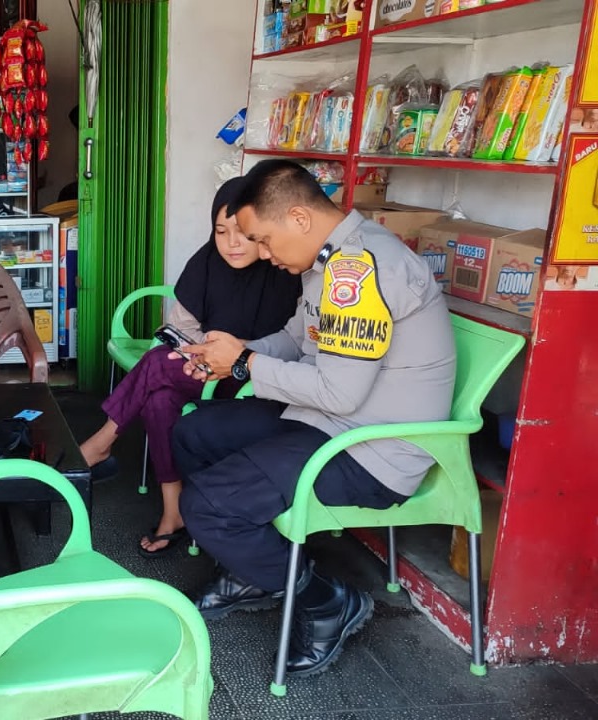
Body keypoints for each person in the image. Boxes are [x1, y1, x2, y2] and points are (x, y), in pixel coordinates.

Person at [173, 159, 456, 677]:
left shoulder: (359, 270)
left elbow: (339, 392)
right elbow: (296, 340)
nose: (262, 253)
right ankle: (253, 569)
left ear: (299, 219)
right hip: (325, 422)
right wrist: (233, 352)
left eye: (264, 239)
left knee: (209, 504)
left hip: (371, 448)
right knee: (195, 432)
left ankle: (327, 602)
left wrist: (243, 363)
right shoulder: (331, 261)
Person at [79, 177, 302, 557]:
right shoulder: (205, 262)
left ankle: (100, 443)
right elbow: (180, 325)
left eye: (243, 232)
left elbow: (294, 344)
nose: (231, 243)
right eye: (221, 231)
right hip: (202, 370)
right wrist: (205, 348)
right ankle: (173, 513)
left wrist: (237, 351)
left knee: (156, 363)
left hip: (255, 378)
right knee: (159, 400)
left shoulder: (286, 271)